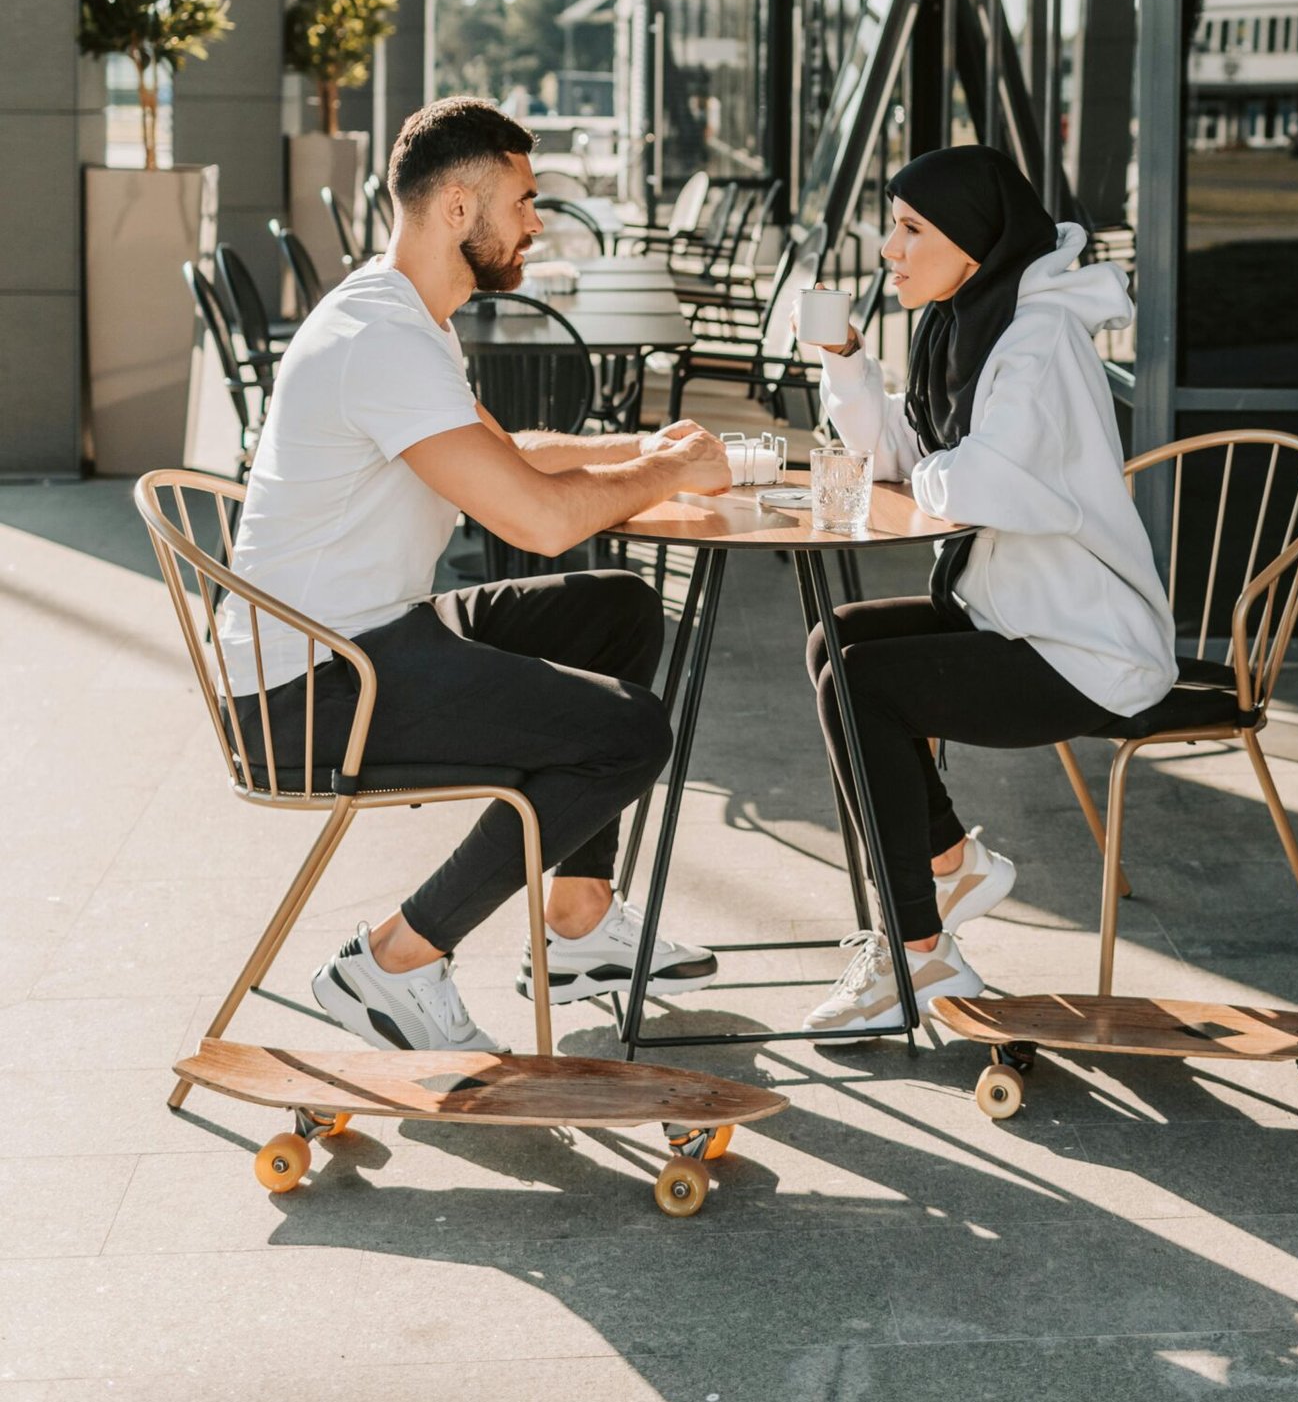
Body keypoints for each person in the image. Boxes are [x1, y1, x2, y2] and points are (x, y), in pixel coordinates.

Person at [219, 96, 732, 1054]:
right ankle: (395, 957)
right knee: (624, 733)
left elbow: (513, 455)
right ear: (459, 208)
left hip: (369, 630)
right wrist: (665, 475)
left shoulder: (403, 315)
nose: (538, 223)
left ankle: (577, 924)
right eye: (525, 201)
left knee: (615, 609)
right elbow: (536, 523)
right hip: (314, 685)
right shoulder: (383, 339)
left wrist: (651, 444)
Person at [800, 144, 1178, 1033]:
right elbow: (895, 454)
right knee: (835, 641)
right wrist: (849, 358)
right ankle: (950, 862)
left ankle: (916, 952)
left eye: (909, 228)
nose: (889, 248)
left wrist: (916, 479)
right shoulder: (968, 320)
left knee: (862, 684)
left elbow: (978, 482)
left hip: (1081, 645)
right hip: (1009, 608)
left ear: (972, 243)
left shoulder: (1036, 341)